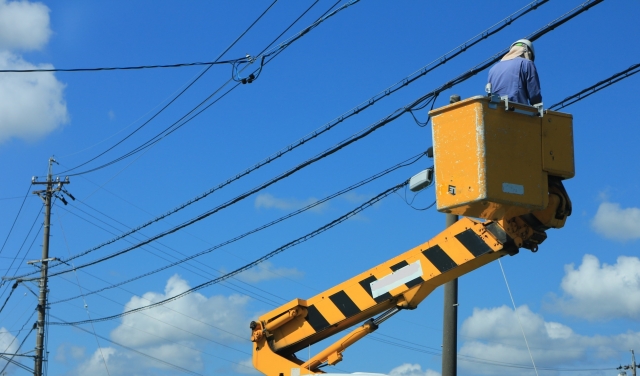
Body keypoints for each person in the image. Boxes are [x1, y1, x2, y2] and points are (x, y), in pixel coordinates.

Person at [487, 39, 542, 105]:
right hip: (516, 109)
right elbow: (534, 94)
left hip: (495, 109)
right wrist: (537, 107)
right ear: (527, 52)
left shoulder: (493, 69)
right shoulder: (527, 63)